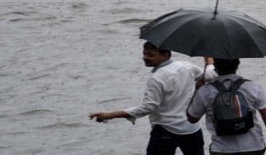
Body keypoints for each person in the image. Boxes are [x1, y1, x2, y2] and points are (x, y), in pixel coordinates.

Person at [88, 42, 216, 155]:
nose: (145, 58)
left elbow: (148, 107)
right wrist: (209, 61)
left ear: (165, 55)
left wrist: (110, 115)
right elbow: (210, 76)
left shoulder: (157, 78)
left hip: (166, 130)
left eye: (150, 55)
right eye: (144, 54)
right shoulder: (186, 66)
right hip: (191, 128)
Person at [186, 58, 266, 155]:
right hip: (253, 147)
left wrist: (197, 90)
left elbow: (192, 118)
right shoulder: (252, 86)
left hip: (222, 149)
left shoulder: (206, 91)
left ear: (215, 67)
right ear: (237, 65)